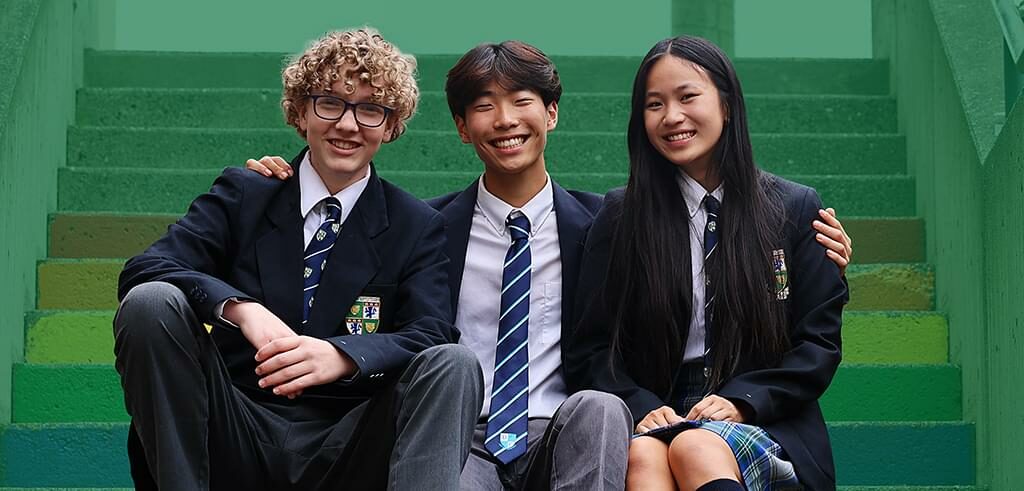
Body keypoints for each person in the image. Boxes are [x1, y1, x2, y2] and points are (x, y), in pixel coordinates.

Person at [247, 39, 853, 491]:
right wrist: (284, 186)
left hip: (568, 432)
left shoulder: (605, 223)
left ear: (552, 114)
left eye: (521, 101)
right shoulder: (422, 229)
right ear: (461, 128)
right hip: (462, 438)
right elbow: (343, 261)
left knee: (602, 410)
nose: (505, 120)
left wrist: (812, 261)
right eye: (484, 106)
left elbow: (606, 348)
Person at [113, 28, 483, 491]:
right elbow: (146, 268)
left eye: (370, 109)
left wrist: (343, 356)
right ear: (300, 111)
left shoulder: (416, 224)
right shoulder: (246, 193)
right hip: (233, 423)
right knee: (150, 302)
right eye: (330, 103)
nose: (347, 125)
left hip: (350, 442)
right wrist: (240, 309)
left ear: (390, 126)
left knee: (454, 363)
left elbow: (430, 333)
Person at [566, 36, 848, 491]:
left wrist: (743, 401)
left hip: (767, 418)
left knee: (694, 446)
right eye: (654, 104)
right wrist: (640, 405)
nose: (671, 116)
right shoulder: (621, 217)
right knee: (642, 455)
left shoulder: (793, 208)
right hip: (659, 413)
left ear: (727, 105)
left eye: (687, 96)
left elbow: (818, 343)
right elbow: (591, 349)